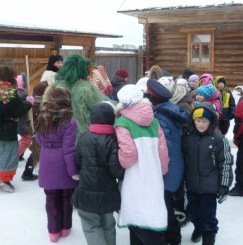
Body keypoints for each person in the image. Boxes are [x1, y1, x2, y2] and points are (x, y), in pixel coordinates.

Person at [115, 84, 169, 245]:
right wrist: (162, 169)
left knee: (135, 215)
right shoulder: (154, 121)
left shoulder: (123, 122)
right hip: (153, 174)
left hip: (134, 176)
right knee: (151, 213)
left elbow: (129, 154)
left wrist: (120, 162)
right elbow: (162, 151)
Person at [71, 101, 125, 245]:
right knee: (108, 225)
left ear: (91, 119)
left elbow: (77, 162)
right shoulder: (114, 140)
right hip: (108, 193)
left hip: (86, 192)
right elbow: (116, 170)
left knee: (91, 226)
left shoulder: (83, 138)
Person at [182, 102, 234, 245]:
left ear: (211, 122)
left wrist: (224, 185)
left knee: (208, 217)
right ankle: (198, 227)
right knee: (193, 212)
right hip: (192, 185)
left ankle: (208, 238)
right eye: (198, 121)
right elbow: (183, 158)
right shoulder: (187, 137)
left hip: (210, 187)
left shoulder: (218, 139)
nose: (201, 124)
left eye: (204, 121)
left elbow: (226, 162)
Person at [146, 79, 190, 245]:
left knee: (165, 204)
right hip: (176, 164)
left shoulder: (160, 118)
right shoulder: (171, 109)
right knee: (168, 202)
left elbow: (163, 148)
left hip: (168, 168)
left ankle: (171, 237)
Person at [35, 86, 79, 243]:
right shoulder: (70, 121)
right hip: (63, 163)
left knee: (51, 198)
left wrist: (48, 146)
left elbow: (38, 139)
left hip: (47, 159)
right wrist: (73, 171)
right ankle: (65, 228)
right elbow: (69, 149)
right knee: (67, 197)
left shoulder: (41, 117)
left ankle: (53, 232)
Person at [55, 53, 110, 137]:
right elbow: (102, 107)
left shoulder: (57, 86)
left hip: (62, 135)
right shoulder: (84, 88)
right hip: (83, 135)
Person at [16, 73, 38, 181]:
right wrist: (29, 102)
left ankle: (18, 155)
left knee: (25, 139)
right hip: (23, 122)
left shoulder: (19, 92)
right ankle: (15, 156)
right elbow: (22, 108)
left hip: (22, 122)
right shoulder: (22, 94)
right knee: (26, 140)